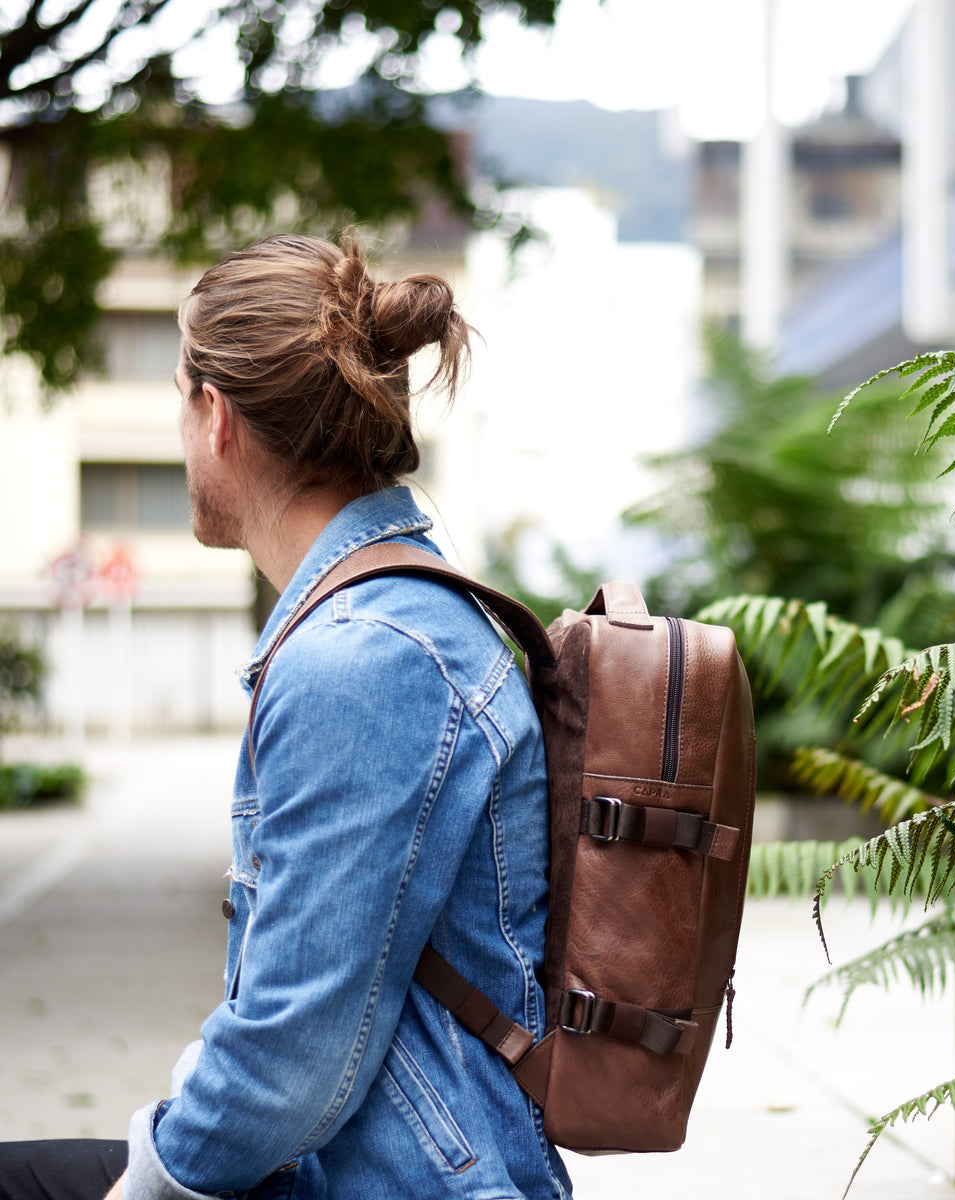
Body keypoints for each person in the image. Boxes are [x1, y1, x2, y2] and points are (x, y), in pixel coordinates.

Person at [0, 234, 571, 1200]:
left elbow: (292, 1053)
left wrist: (144, 1186)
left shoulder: (364, 656)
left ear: (216, 416)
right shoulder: (385, 622)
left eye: (179, 398)